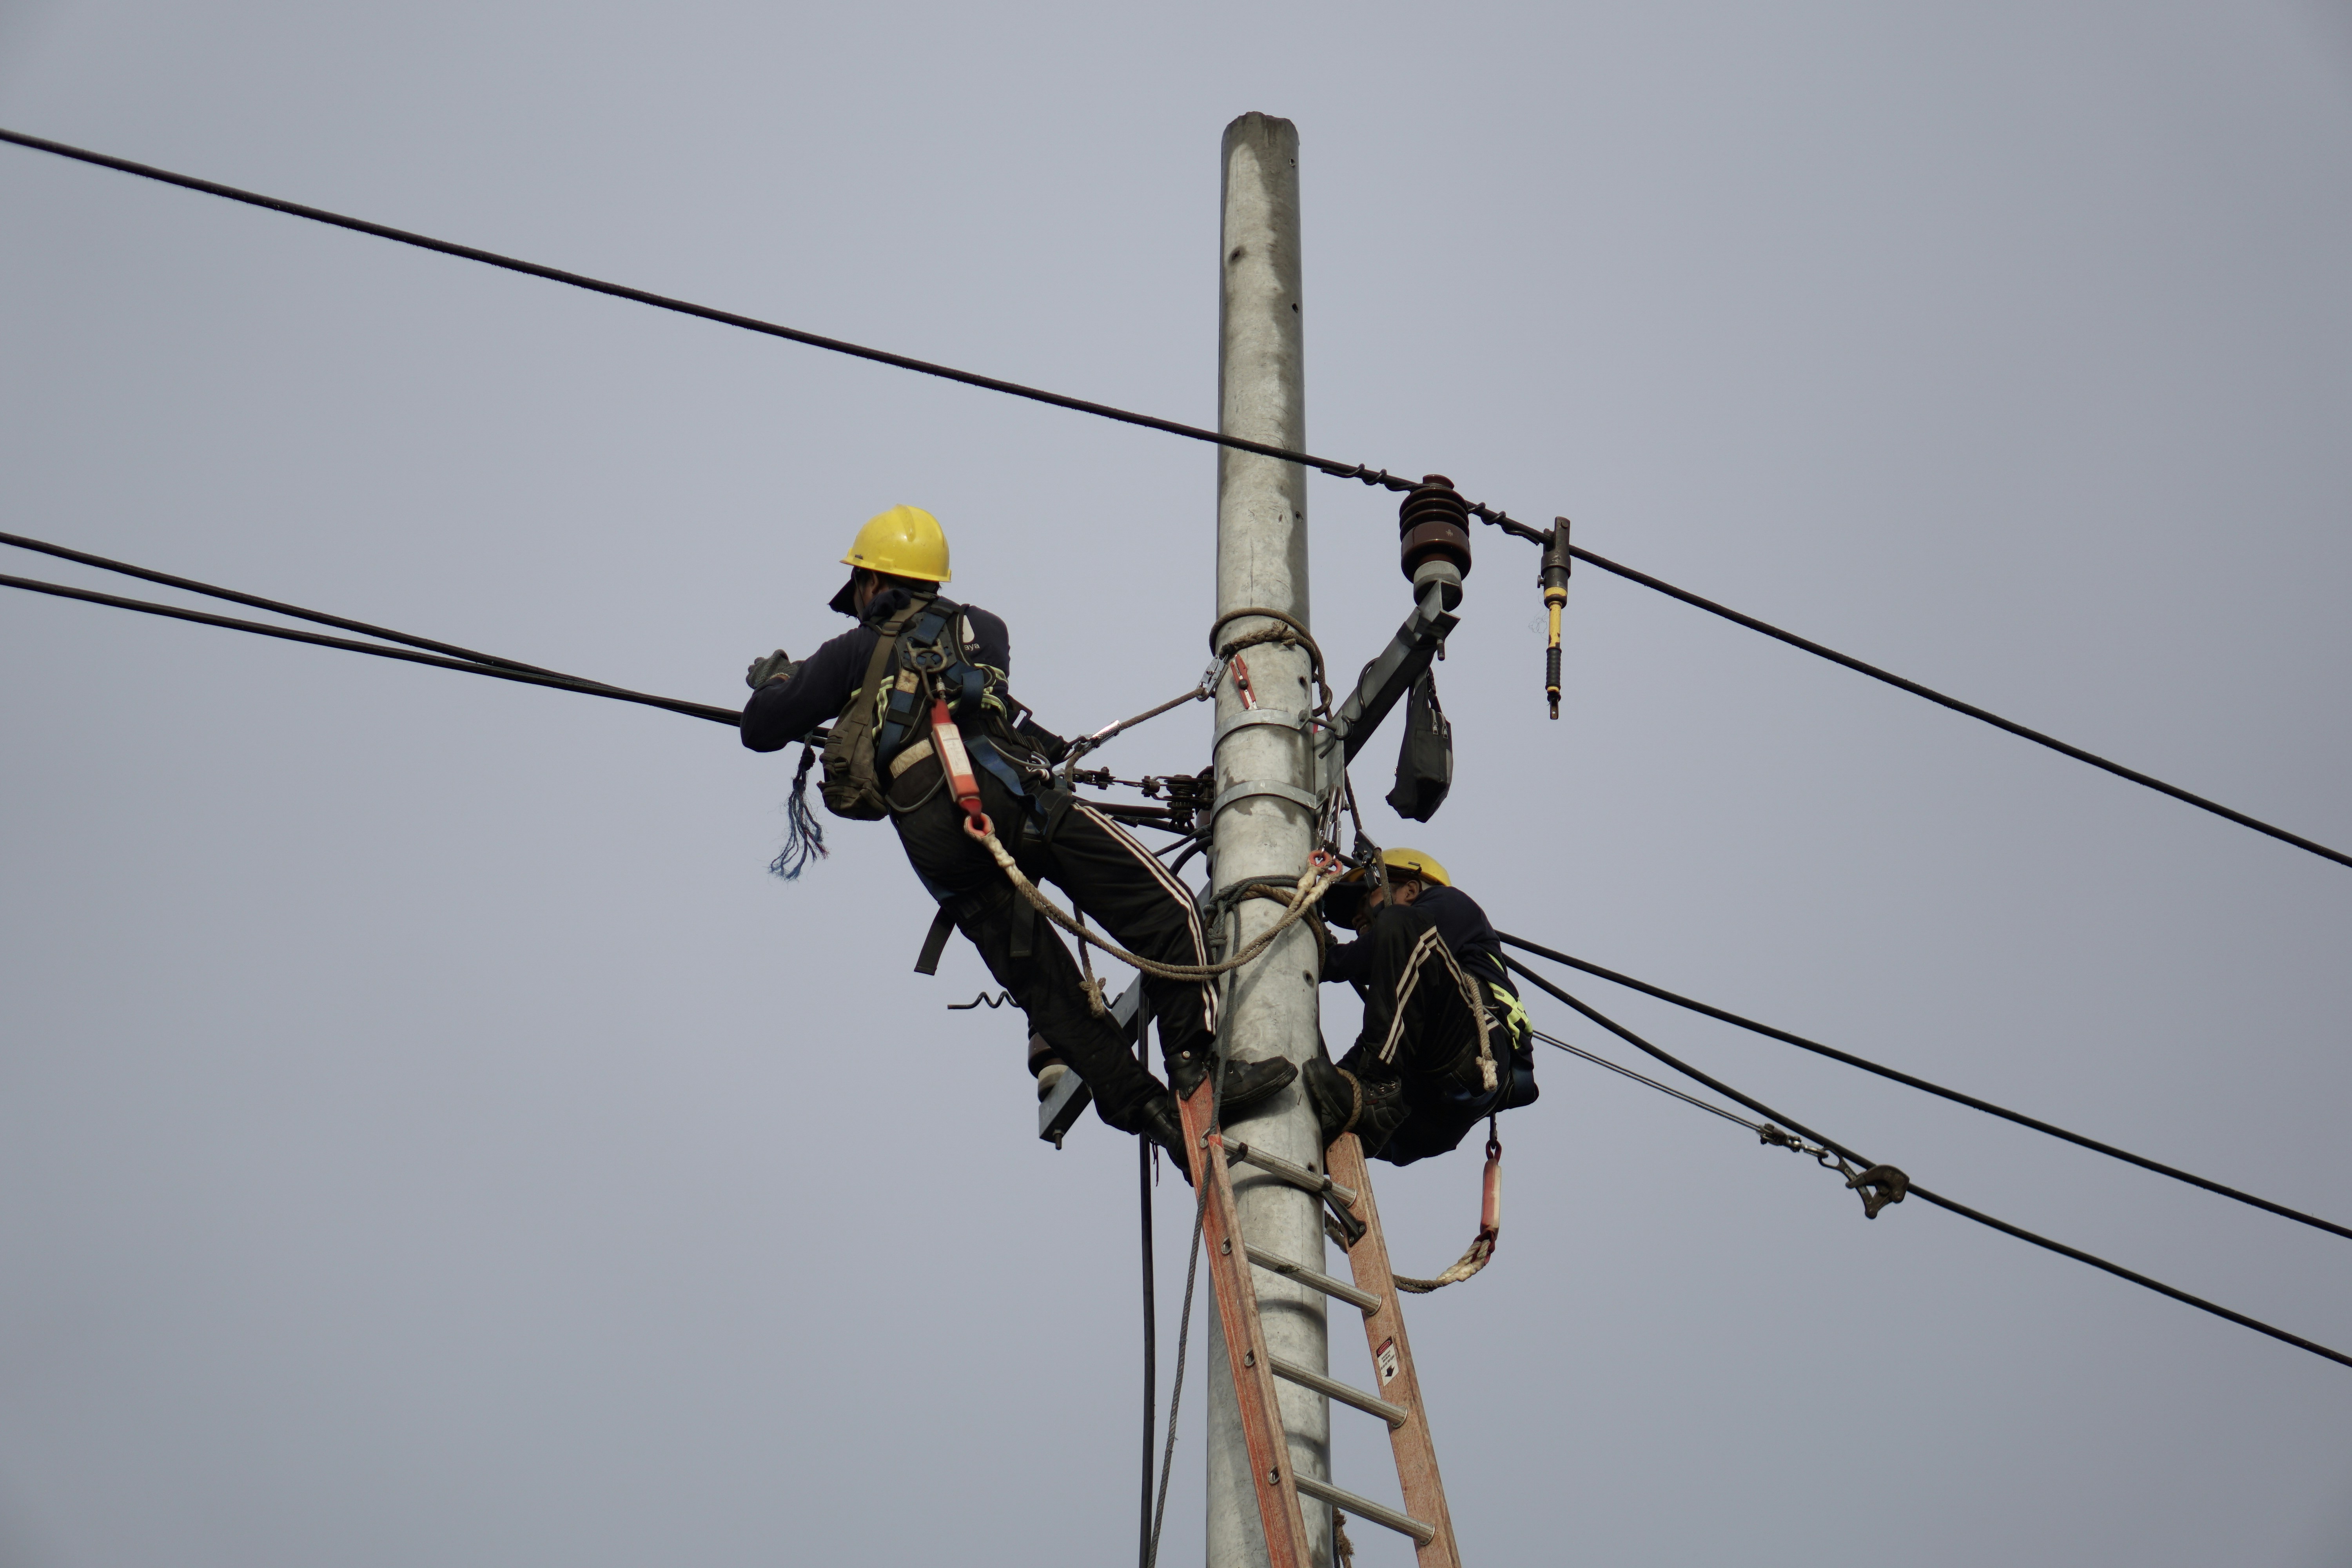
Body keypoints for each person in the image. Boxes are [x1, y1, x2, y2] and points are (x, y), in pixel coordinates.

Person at [739, 505, 1292, 1169]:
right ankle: (1197, 1067)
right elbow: (989, 713)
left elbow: (762, 727)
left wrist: (778, 680)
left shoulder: (854, 653)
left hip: (935, 841)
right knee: (1164, 910)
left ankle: (1156, 1119)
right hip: (1011, 796)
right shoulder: (985, 628)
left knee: (1051, 994)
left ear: (876, 581)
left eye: (859, 587)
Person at [1303, 848, 1539, 1165]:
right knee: (1324, 1088)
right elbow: (1387, 1018)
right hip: (1425, 1116)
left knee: (1400, 925)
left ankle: (1377, 1091)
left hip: (1476, 1051)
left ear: (1410, 890)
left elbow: (1376, 947)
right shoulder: (1404, 1001)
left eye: (1365, 900)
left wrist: (1310, 954)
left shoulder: (1450, 904)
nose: (1359, 919)